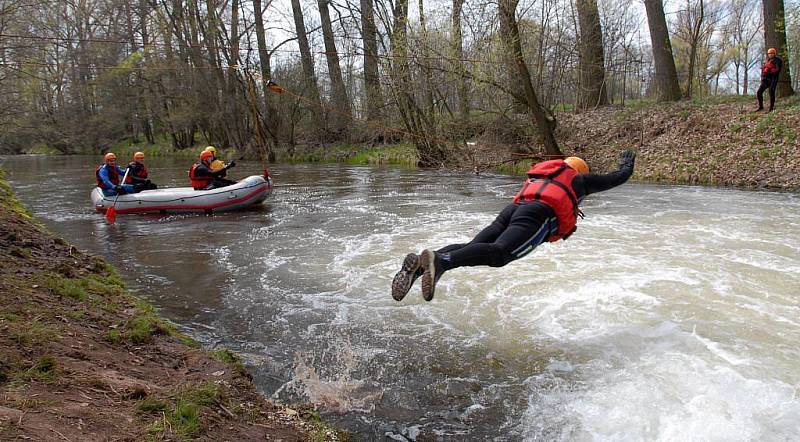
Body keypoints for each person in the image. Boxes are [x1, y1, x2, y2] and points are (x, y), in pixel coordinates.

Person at [391, 150, 636, 302]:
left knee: (475, 247)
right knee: (500, 254)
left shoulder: (542, 175)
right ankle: (440, 262)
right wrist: (627, 164)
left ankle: (420, 269)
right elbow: (617, 178)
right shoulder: (580, 180)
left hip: (512, 211)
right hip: (539, 215)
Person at [756, 48, 782, 113]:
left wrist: (770, 72)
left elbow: (777, 70)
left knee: (771, 91)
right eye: (769, 54)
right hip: (766, 79)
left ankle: (771, 107)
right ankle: (761, 106)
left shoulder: (778, 60)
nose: (770, 55)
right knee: (759, 92)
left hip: (773, 79)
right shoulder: (767, 61)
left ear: (774, 54)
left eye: (771, 53)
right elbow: (763, 70)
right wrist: (763, 77)